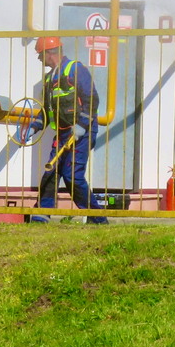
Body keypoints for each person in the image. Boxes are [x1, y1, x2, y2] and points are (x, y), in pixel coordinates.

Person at [30, 35, 108, 224]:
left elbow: (91, 99)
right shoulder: (49, 79)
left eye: (40, 54)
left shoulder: (76, 69)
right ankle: (42, 214)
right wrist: (35, 126)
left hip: (83, 131)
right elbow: (47, 109)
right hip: (64, 133)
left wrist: (81, 125)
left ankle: (97, 218)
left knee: (72, 175)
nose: (39, 59)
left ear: (50, 53)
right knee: (51, 171)